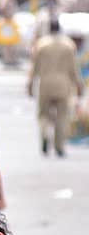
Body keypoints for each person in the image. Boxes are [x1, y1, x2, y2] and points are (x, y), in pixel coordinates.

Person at [28, 18, 84, 157]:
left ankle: (46, 134)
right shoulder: (68, 45)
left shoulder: (41, 44)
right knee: (62, 116)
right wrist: (79, 85)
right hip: (63, 85)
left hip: (45, 84)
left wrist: (29, 83)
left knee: (44, 115)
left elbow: (34, 68)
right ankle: (59, 146)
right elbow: (74, 69)